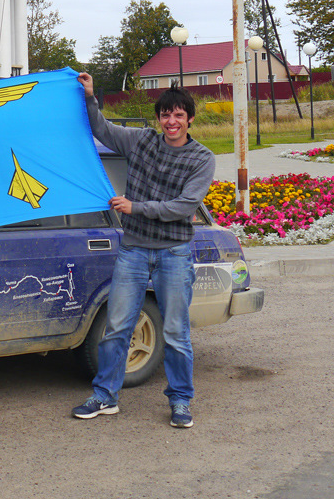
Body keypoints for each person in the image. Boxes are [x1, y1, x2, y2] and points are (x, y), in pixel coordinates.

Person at [71, 73, 215, 429]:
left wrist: (137, 207)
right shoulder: (141, 141)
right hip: (133, 250)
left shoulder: (202, 158)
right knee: (117, 327)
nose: (171, 121)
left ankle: (181, 400)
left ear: (190, 119)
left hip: (174, 253)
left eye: (179, 115)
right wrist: (89, 96)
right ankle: (105, 396)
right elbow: (102, 130)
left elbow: (184, 206)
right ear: (159, 118)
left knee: (176, 332)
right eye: (166, 114)